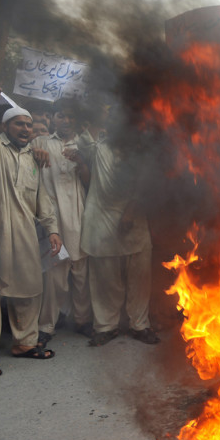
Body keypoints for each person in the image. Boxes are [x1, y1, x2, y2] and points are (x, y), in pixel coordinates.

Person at [0, 85, 62, 378]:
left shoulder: (34, 157)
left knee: (32, 288)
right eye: (19, 123)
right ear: (6, 126)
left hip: (25, 233)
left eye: (29, 124)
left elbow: (42, 198)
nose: (26, 128)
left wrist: (53, 230)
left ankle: (25, 343)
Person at [76, 104, 160, 347]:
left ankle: (139, 325)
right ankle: (106, 326)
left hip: (134, 218)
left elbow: (146, 183)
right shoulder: (98, 147)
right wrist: (98, 115)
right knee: (105, 277)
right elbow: (84, 143)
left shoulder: (141, 149)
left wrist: (131, 211)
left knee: (140, 277)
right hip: (101, 218)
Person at [32, 102, 95, 350]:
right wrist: (37, 152)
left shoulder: (84, 144)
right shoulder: (41, 143)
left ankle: (81, 320)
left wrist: (82, 162)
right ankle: (46, 325)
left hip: (79, 215)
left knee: (80, 272)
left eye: (70, 116)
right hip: (52, 215)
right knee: (55, 275)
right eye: (61, 115)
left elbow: (91, 183)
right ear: (53, 118)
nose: (66, 120)